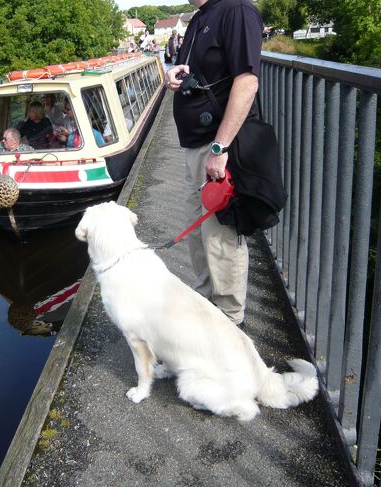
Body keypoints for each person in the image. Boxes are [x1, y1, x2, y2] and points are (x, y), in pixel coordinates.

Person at [165, 0, 263, 328]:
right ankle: (207, 301)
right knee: (197, 232)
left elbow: (247, 81)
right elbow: (198, 72)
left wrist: (220, 148)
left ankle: (230, 320)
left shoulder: (236, 10)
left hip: (215, 145)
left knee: (220, 234)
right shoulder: (199, 18)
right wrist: (174, 76)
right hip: (195, 145)